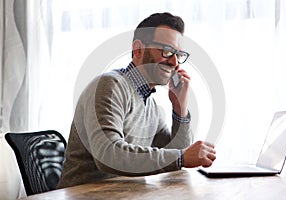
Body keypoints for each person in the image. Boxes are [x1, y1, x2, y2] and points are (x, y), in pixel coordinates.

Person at [57, 12, 216, 189]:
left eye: (178, 55)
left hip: (124, 194)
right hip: (85, 195)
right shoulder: (109, 86)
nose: (175, 63)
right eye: (167, 51)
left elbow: (177, 158)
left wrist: (180, 109)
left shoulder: (151, 106)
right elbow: (108, 156)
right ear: (139, 49)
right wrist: (180, 157)